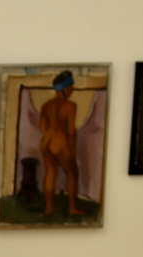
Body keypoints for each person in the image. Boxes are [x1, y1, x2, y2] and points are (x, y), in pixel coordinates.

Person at [39, 70, 83, 216]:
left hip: (46, 142)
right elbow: (71, 131)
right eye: (71, 87)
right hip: (60, 142)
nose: (72, 90)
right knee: (73, 173)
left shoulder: (46, 105)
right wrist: (73, 149)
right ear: (65, 88)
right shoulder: (71, 106)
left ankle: (49, 206)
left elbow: (42, 127)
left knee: (50, 172)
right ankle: (72, 208)